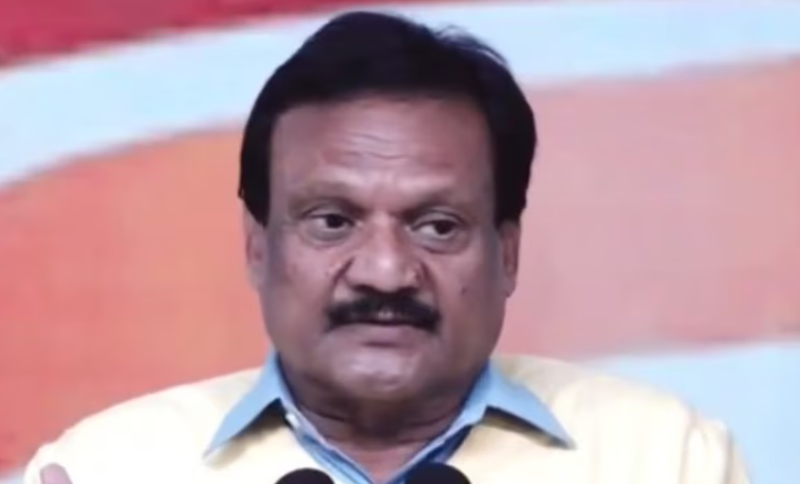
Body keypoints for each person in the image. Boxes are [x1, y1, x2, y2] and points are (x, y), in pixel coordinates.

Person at [25, 10, 749, 484]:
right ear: (257, 247)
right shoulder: (109, 469)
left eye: (437, 226)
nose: (385, 272)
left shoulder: (664, 459)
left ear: (507, 253)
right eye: (331, 221)